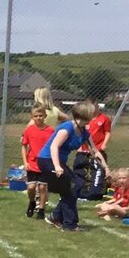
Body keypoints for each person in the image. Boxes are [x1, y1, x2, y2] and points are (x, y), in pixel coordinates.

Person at [39, 100, 106, 233]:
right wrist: (57, 167)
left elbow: (95, 151)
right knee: (71, 187)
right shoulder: (67, 128)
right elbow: (53, 146)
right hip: (48, 159)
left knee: (76, 185)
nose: (95, 114)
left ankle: (56, 216)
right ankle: (69, 224)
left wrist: (106, 168)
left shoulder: (84, 131)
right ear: (85, 115)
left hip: (59, 162)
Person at [20, 96, 57, 219]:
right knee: (31, 188)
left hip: (45, 163)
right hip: (32, 163)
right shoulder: (29, 130)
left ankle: (41, 209)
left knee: (42, 187)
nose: (38, 118)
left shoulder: (51, 131)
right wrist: (25, 162)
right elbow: (24, 146)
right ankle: (32, 202)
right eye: (36, 116)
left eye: (41, 115)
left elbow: (54, 146)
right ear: (32, 117)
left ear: (45, 116)